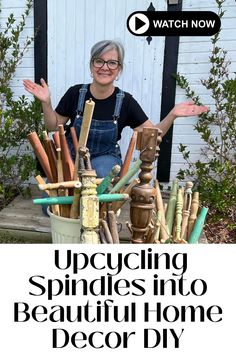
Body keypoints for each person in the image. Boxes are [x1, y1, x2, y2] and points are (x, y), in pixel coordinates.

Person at [23, 39, 208, 178]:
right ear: (91, 65)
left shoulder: (125, 101)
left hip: (105, 158)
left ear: (119, 69)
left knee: (101, 178)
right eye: (99, 61)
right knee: (51, 205)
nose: (105, 67)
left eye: (112, 62)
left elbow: (150, 136)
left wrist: (172, 115)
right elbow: (53, 126)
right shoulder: (75, 93)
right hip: (71, 157)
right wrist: (46, 103)